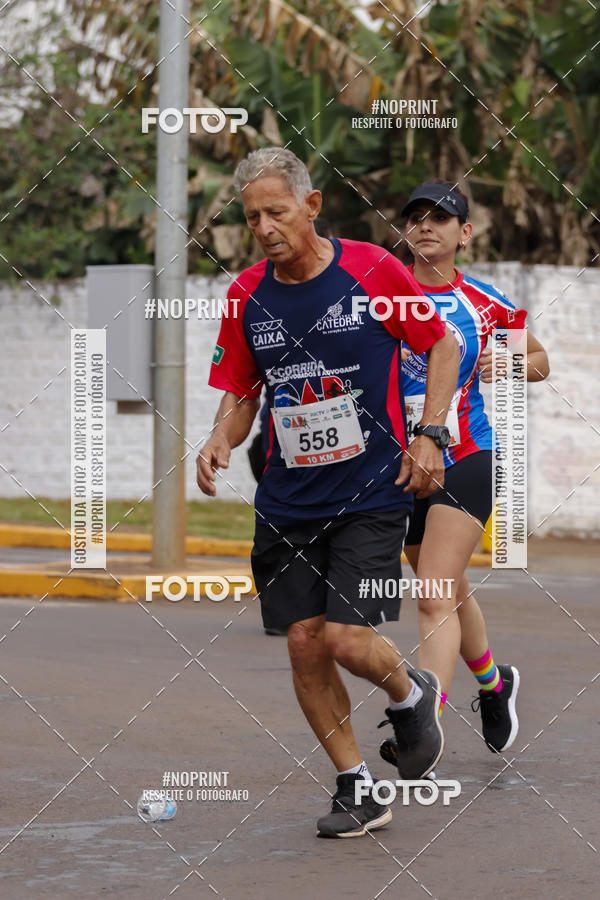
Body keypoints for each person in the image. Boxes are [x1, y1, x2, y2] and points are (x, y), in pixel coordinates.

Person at [196, 148, 460, 838]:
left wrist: (430, 432)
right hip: (288, 503)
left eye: (276, 211)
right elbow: (242, 390)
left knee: (348, 637)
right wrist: (221, 437)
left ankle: (410, 695)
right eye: (252, 216)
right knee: (306, 644)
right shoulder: (247, 294)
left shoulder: (372, 269)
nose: (263, 227)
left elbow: (442, 346)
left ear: (311, 207)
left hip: (374, 490)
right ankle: (357, 785)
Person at [377, 180, 549, 769]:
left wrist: (513, 361)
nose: (425, 226)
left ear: (463, 233)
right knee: (448, 588)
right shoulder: (375, 294)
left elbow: (540, 361)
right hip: (398, 467)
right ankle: (495, 684)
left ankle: (424, 725)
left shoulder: (483, 301)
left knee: (431, 596)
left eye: (440, 219)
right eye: (415, 218)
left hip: (467, 458)